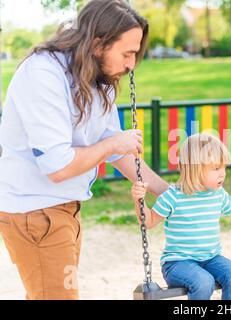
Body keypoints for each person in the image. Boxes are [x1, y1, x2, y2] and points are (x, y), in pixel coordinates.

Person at [0, 0, 169, 300]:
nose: (131, 65)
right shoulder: (43, 74)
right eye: (127, 53)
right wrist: (113, 144)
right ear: (97, 43)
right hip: (35, 212)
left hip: (65, 210)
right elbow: (58, 166)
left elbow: (117, 151)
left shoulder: (97, 79)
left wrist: (166, 191)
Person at [131, 133, 231, 300]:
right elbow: (149, 222)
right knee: (204, 282)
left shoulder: (217, 194)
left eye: (224, 167)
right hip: (178, 264)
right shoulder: (173, 196)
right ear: (195, 169)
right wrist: (139, 199)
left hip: (211, 259)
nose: (223, 174)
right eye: (216, 168)